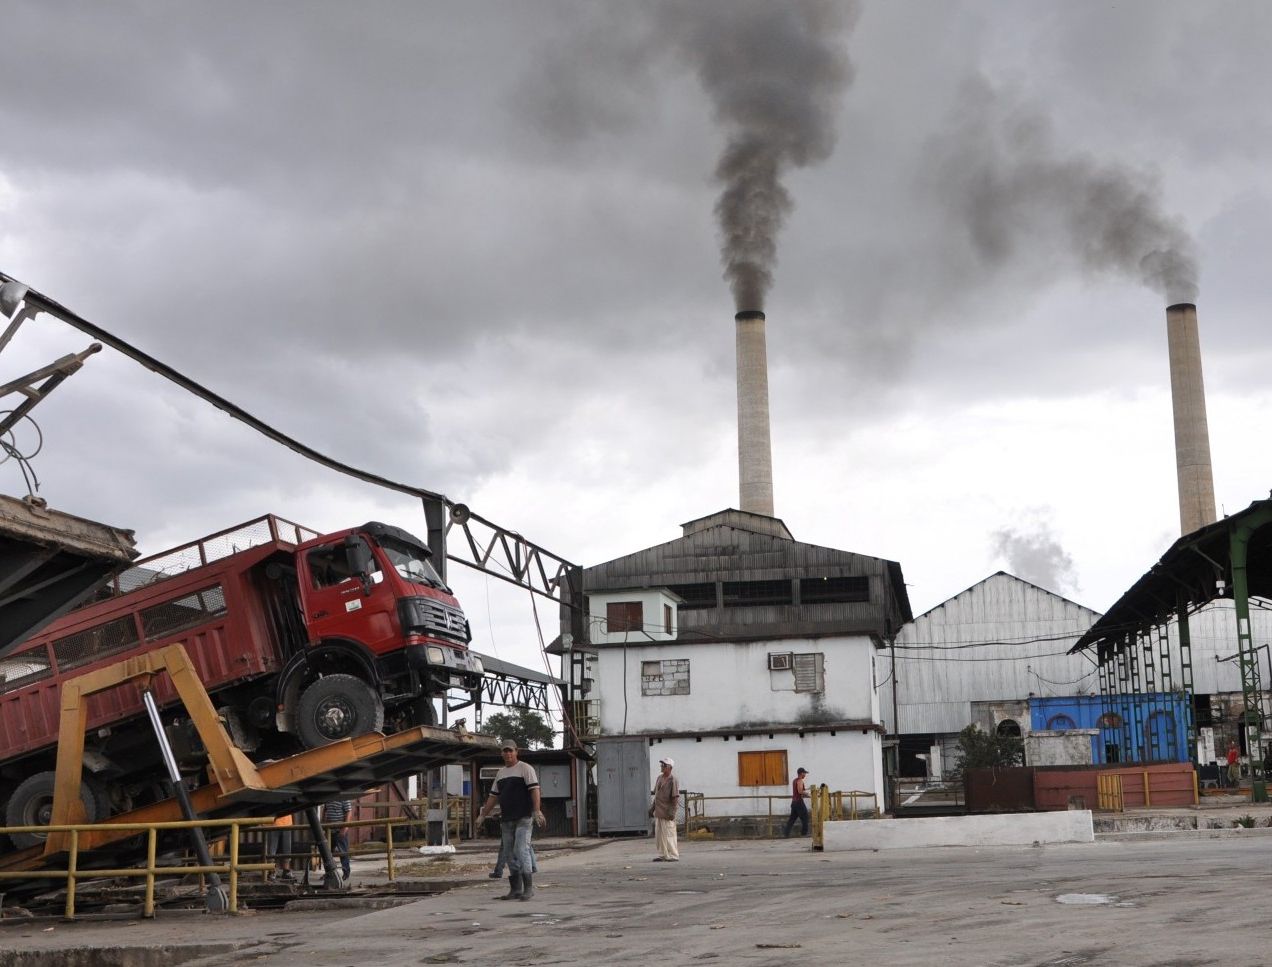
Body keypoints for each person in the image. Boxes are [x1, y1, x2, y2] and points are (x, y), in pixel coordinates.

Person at [476, 740, 546, 901]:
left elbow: (535, 790)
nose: (508, 754)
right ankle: (515, 889)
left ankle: (528, 888)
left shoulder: (525, 768)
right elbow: (493, 796)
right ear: (501, 753)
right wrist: (482, 815)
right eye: (505, 751)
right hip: (506, 819)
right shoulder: (501, 774)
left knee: (521, 850)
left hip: (524, 817)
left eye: (510, 751)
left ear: (516, 752)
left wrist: (537, 810)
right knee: (508, 853)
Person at [649, 756, 680, 862]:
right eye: (661, 765)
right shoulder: (659, 778)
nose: (662, 767)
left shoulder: (673, 780)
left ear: (670, 767)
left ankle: (673, 855)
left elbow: (675, 797)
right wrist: (652, 808)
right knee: (659, 835)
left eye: (664, 765)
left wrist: (672, 811)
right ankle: (663, 854)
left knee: (669, 834)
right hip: (659, 811)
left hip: (667, 812)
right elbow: (656, 794)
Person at [323, 799, 352, 880]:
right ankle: (329, 873)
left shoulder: (344, 797)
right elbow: (325, 810)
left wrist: (345, 828)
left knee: (343, 852)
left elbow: (349, 812)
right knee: (327, 853)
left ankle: (346, 873)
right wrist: (324, 825)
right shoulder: (328, 797)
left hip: (340, 830)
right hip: (330, 830)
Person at [267, 812, 294, 881]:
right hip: (273, 822)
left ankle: (286, 870)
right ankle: (272, 871)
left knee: (286, 848)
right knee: (272, 848)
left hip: (286, 822)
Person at [784, 767, 810, 838]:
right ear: (801, 773)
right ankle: (804, 834)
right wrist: (808, 794)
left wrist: (807, 789)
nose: (805, 775)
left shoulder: (794, 780)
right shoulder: (800, 781)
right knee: (805, 817)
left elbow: (798, 790)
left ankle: (786, 833)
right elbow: (800, 791)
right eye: (804, 773)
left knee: (792, 819)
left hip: (794, 802)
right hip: (799, 802)